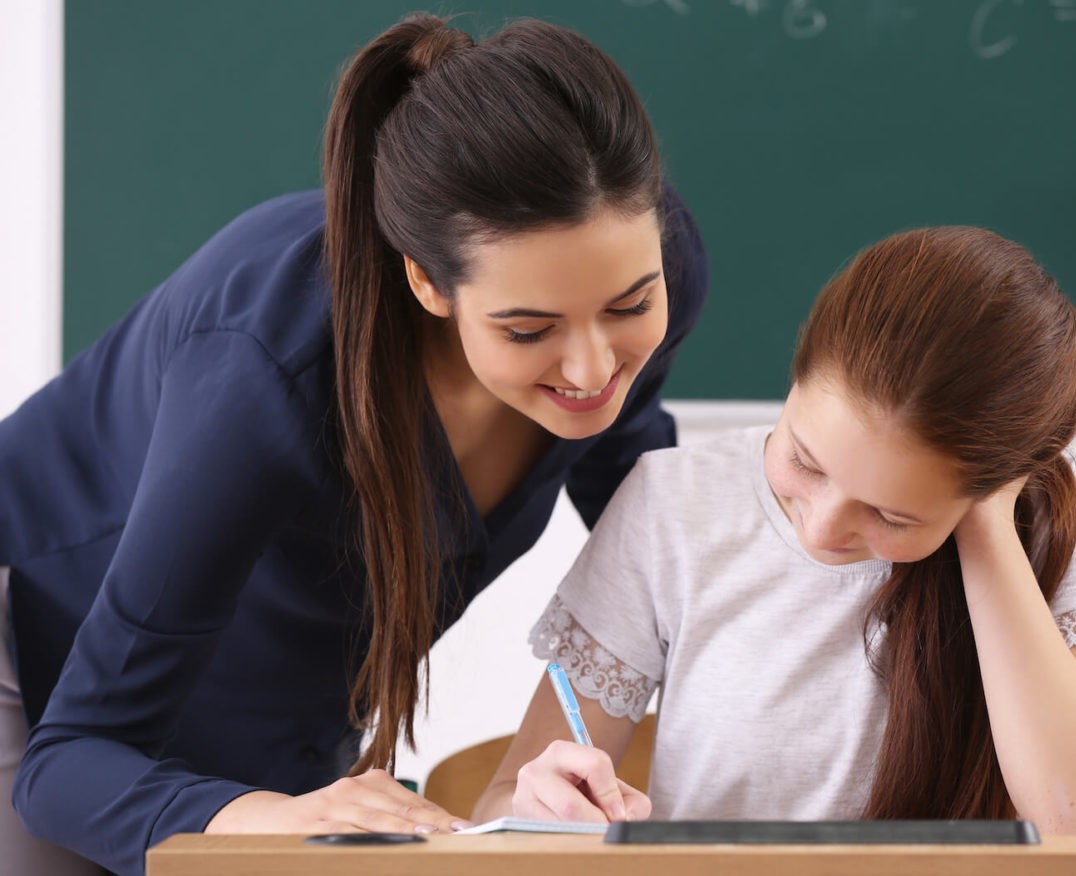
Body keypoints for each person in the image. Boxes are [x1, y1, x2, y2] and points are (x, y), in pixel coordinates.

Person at [0, 13, 707, 876]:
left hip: (273, 707)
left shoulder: (637, 263)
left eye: (631, 306)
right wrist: (272, 816)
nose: (596, 365)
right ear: (426, 281)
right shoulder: (263, 377)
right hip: (41, 659)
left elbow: (648, 531)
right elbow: (71, 761)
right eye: (530, 329)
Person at [474, 226, 1076, 832]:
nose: (823, 530)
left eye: (891, 514)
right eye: (803, 458)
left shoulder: (1044, 509)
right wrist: (535, 804)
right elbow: (501, 805)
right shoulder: (672, 502)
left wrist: (986, 526)